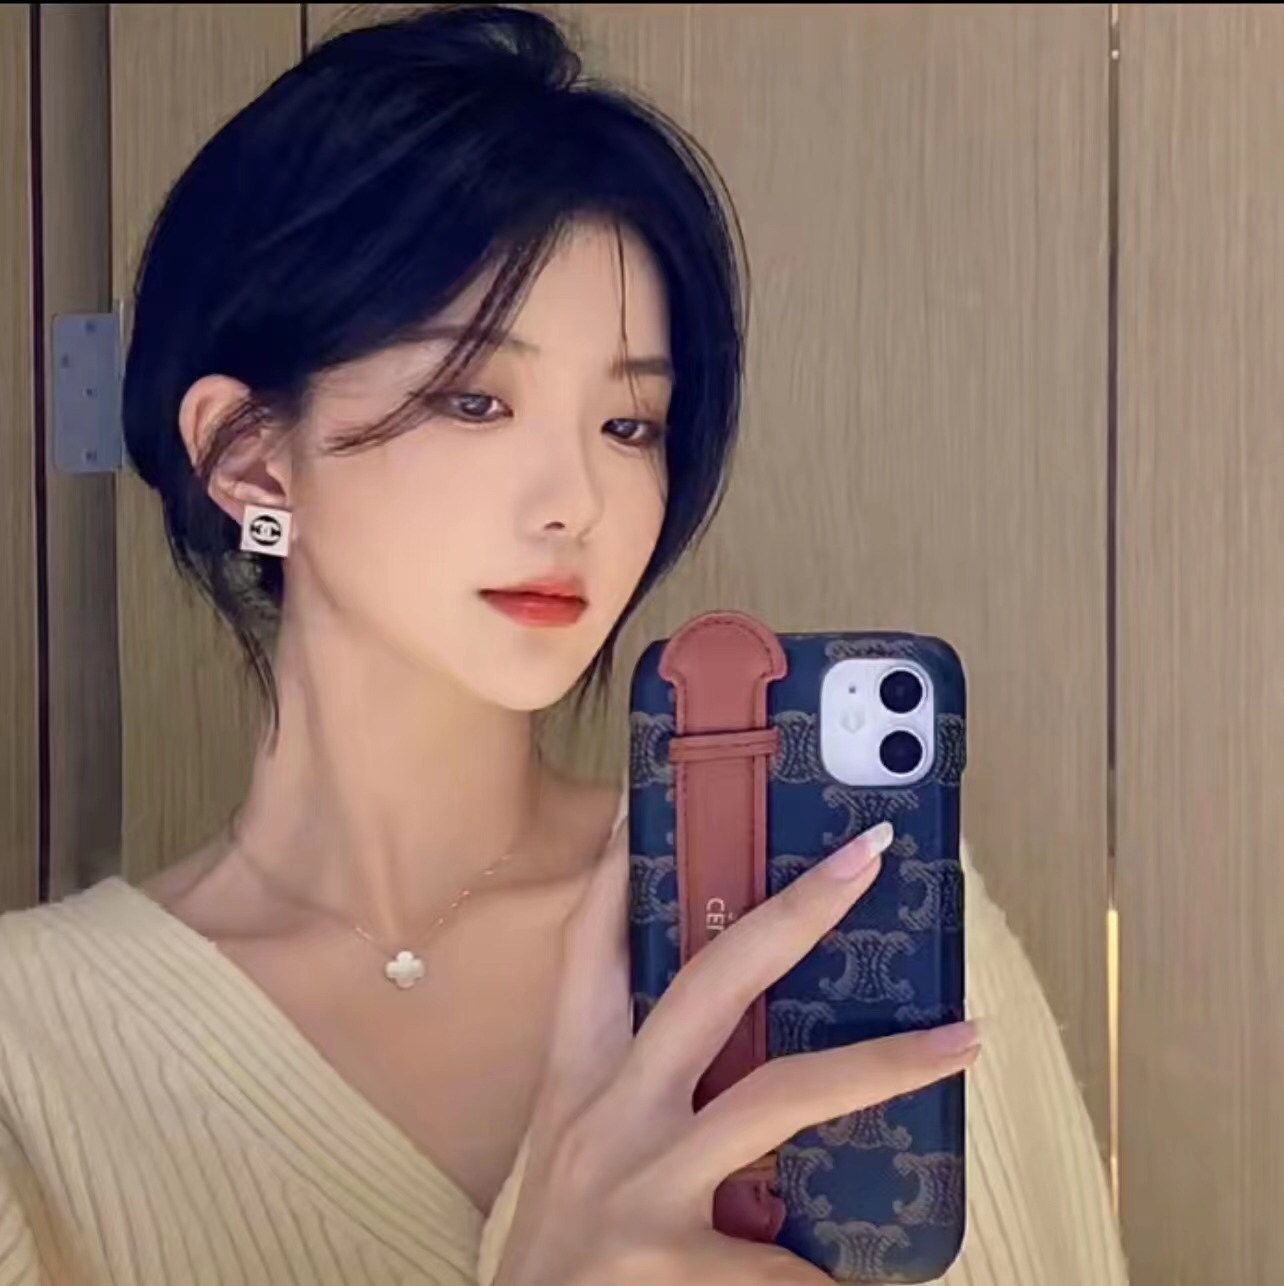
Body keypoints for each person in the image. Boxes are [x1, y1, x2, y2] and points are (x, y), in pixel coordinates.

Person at [0, 6, 1128, 1283]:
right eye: (476, 398)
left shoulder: (847, 904)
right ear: (251, 457)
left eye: (629, 423)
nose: (577, 502)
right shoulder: (30, 1055)